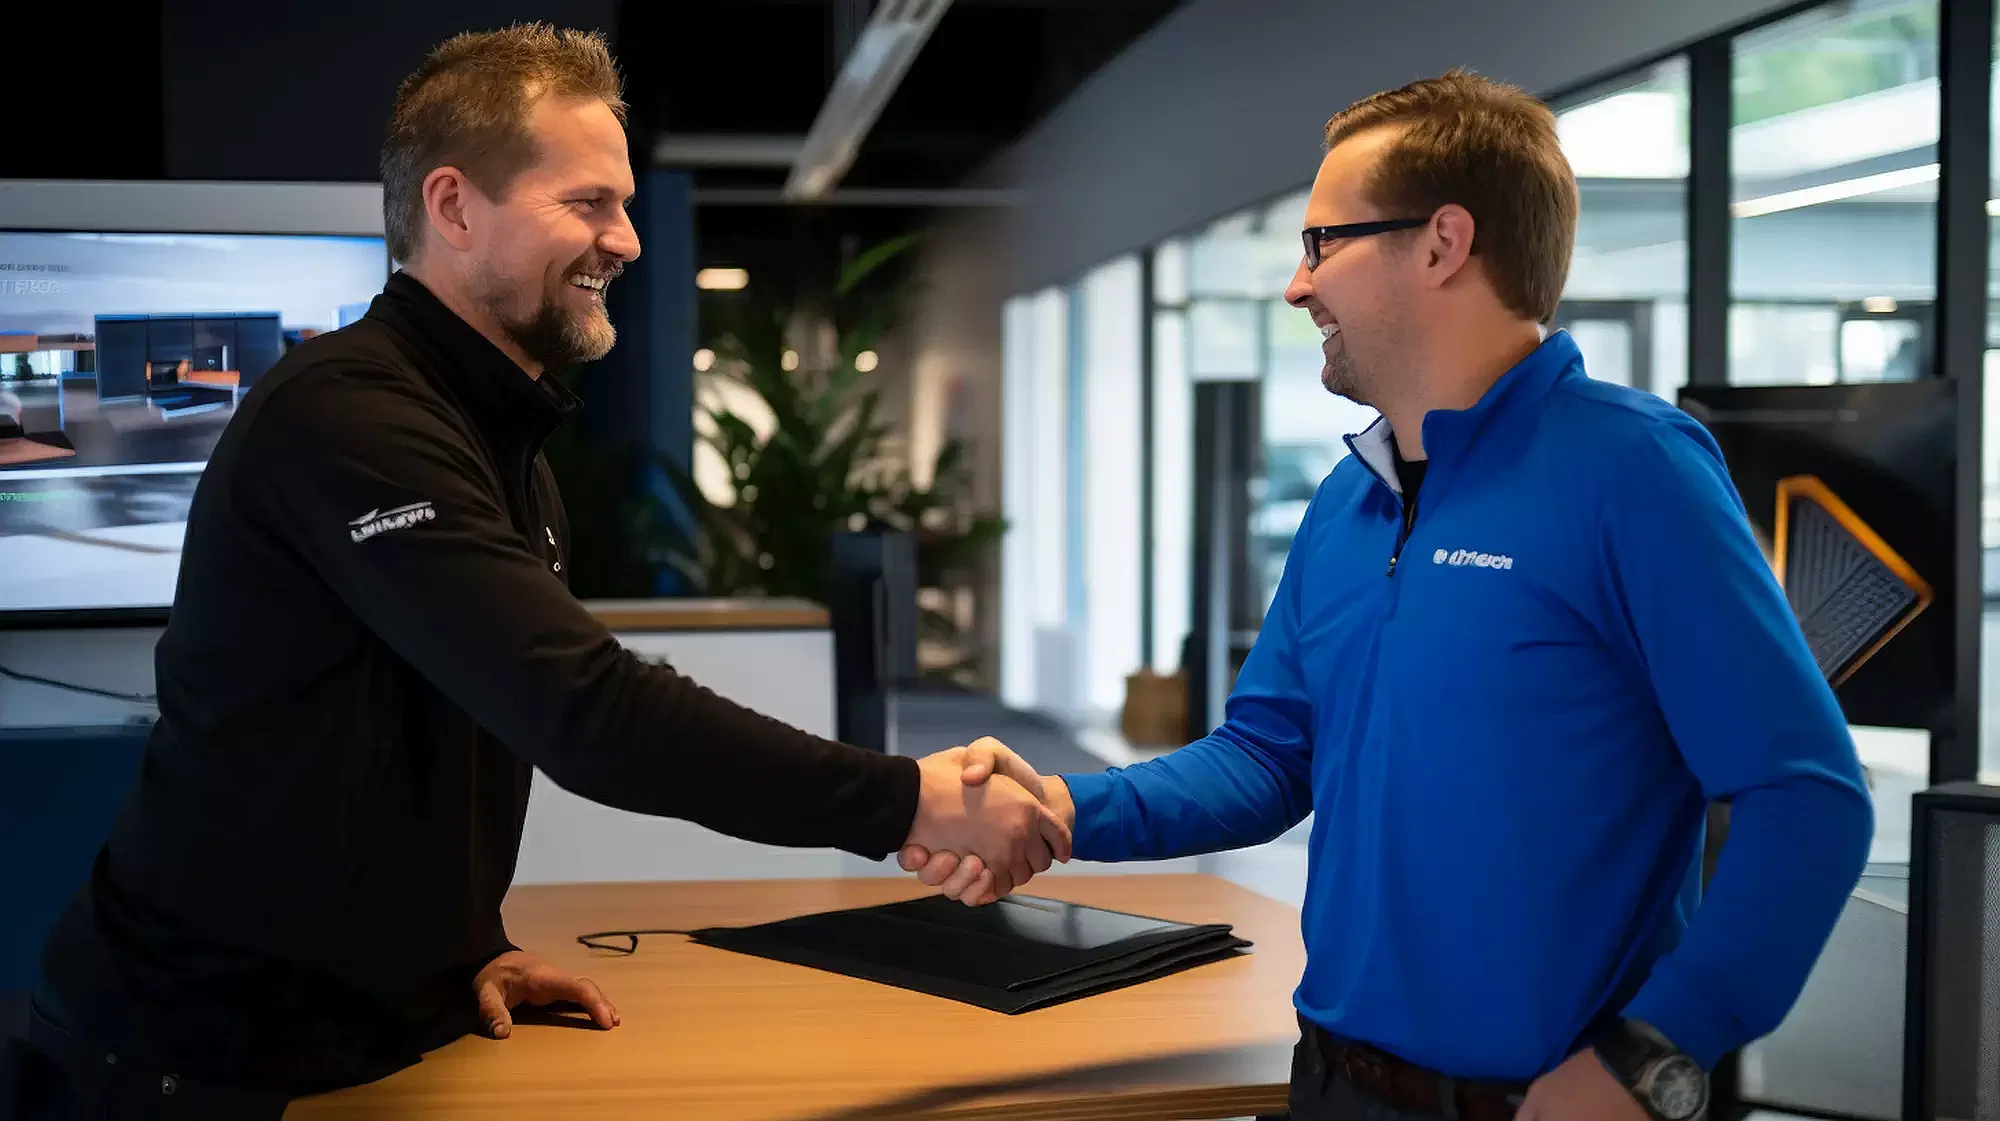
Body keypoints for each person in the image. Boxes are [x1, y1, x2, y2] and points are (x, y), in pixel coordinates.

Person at [1, 24, 1067, 1121]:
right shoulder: (348, 415)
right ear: (453, 206)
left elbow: (431, 734)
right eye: (588, 203)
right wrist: (905, 800)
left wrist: (455, 957)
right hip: (188, 1058)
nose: (630, 240)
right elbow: (583, 708)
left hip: (370, 1031)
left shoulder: (494, 440)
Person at [902, 70, 1872, 1121]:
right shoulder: (1348, 500)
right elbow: (1267, 755)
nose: (1295, 283)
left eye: (1321, 242)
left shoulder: (1631, 470)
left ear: (1441, 243)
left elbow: (1804, 796)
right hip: (1330, 1081)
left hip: (1532, 1101)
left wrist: (1651, 1055)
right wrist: (1059, 808)